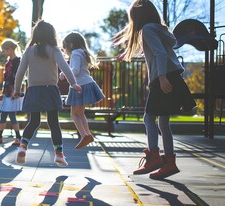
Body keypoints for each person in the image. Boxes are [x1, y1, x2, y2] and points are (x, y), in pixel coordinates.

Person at [112, 0, 196, 179]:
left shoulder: (147, 30)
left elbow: (160, 53)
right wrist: (126, 54)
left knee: (148, 118)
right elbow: (155, 49)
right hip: (173, 75)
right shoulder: (159, 29)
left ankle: (154, 156)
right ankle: (170, 163)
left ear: (138, 16)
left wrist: (162, 77)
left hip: (164, 77)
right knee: (163, 123)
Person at [13, 20, 82, 167]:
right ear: (52, 35)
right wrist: (73, 83)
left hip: (33, 90)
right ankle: (59, 154)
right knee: (53, 123)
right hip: (50, 89)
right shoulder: (54, 50)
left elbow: (20, 72)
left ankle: (23, 147)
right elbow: (65, 67)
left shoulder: (29, 51)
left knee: (34, 122)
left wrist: (17, 90)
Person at [60, 32, 105, 149]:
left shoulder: (75, 53)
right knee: (80, 113)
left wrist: (64, 73)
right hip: (87, 83)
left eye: (64, 46)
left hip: (80, 86)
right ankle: (87, 134)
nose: (64, 50)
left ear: (70, 45)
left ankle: (84, 135)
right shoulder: (83, 53)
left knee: (74, 114)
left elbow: (75, 70)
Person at [0, 39, 23, 146]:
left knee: (10, 115)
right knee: (5, 114)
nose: (3, 52)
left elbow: (17, 78)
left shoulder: (17, 62)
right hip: (8, 92)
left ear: (11, 49)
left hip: (12, 92)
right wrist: (3, 94)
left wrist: (16, 91)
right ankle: (2, 136)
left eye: (4, 50)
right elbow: (6, 80)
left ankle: (16, 137)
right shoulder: (9, 62)